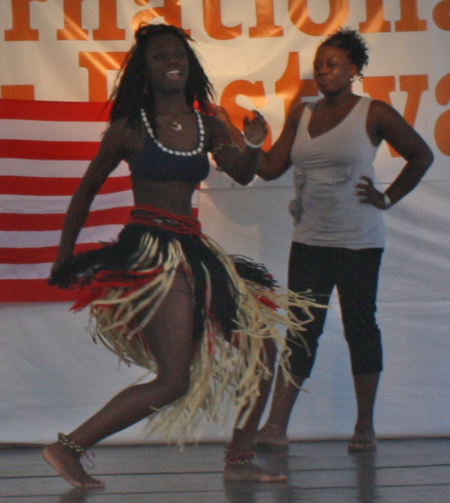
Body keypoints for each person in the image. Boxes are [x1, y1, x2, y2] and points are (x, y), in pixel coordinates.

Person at [42, 23, 317, 488]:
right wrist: (64, 259)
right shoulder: (129, 129)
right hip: (151, 252)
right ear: (145, 73)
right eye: (160, 56)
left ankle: (239, 459)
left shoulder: (209, 123)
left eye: (179, 55)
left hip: (195, 250)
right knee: (174, 381)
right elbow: (85, 191)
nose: (173, 61)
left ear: (189, 67)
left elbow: (245, 173)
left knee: (264, 352)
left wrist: (251, 143)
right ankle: (67, 448)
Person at [253, 28, 433, 451]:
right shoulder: (302, 113)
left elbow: (421, 155)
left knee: (360, 327)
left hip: (358, 240)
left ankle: (364, 426)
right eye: (319, 64)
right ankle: (277, 427)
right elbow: (269, 168)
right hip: (310, 238)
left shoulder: (374, 113)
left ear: (354, 70)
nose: (323, 71)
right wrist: (251, 142)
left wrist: (386, 198)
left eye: (332, 64)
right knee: (302, 330)